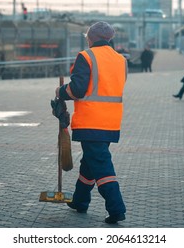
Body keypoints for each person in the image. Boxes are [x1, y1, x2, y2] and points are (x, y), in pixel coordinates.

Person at [55, 21, 127, 224]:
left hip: (91, 121)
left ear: (91, 38)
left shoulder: (86, 56)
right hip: (111, 122)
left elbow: (77, 89)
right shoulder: (120, 60)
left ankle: (116, 208)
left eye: (87, 36)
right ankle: (80, 201)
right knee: (90, 162)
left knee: (102, 166)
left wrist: (60, 92)